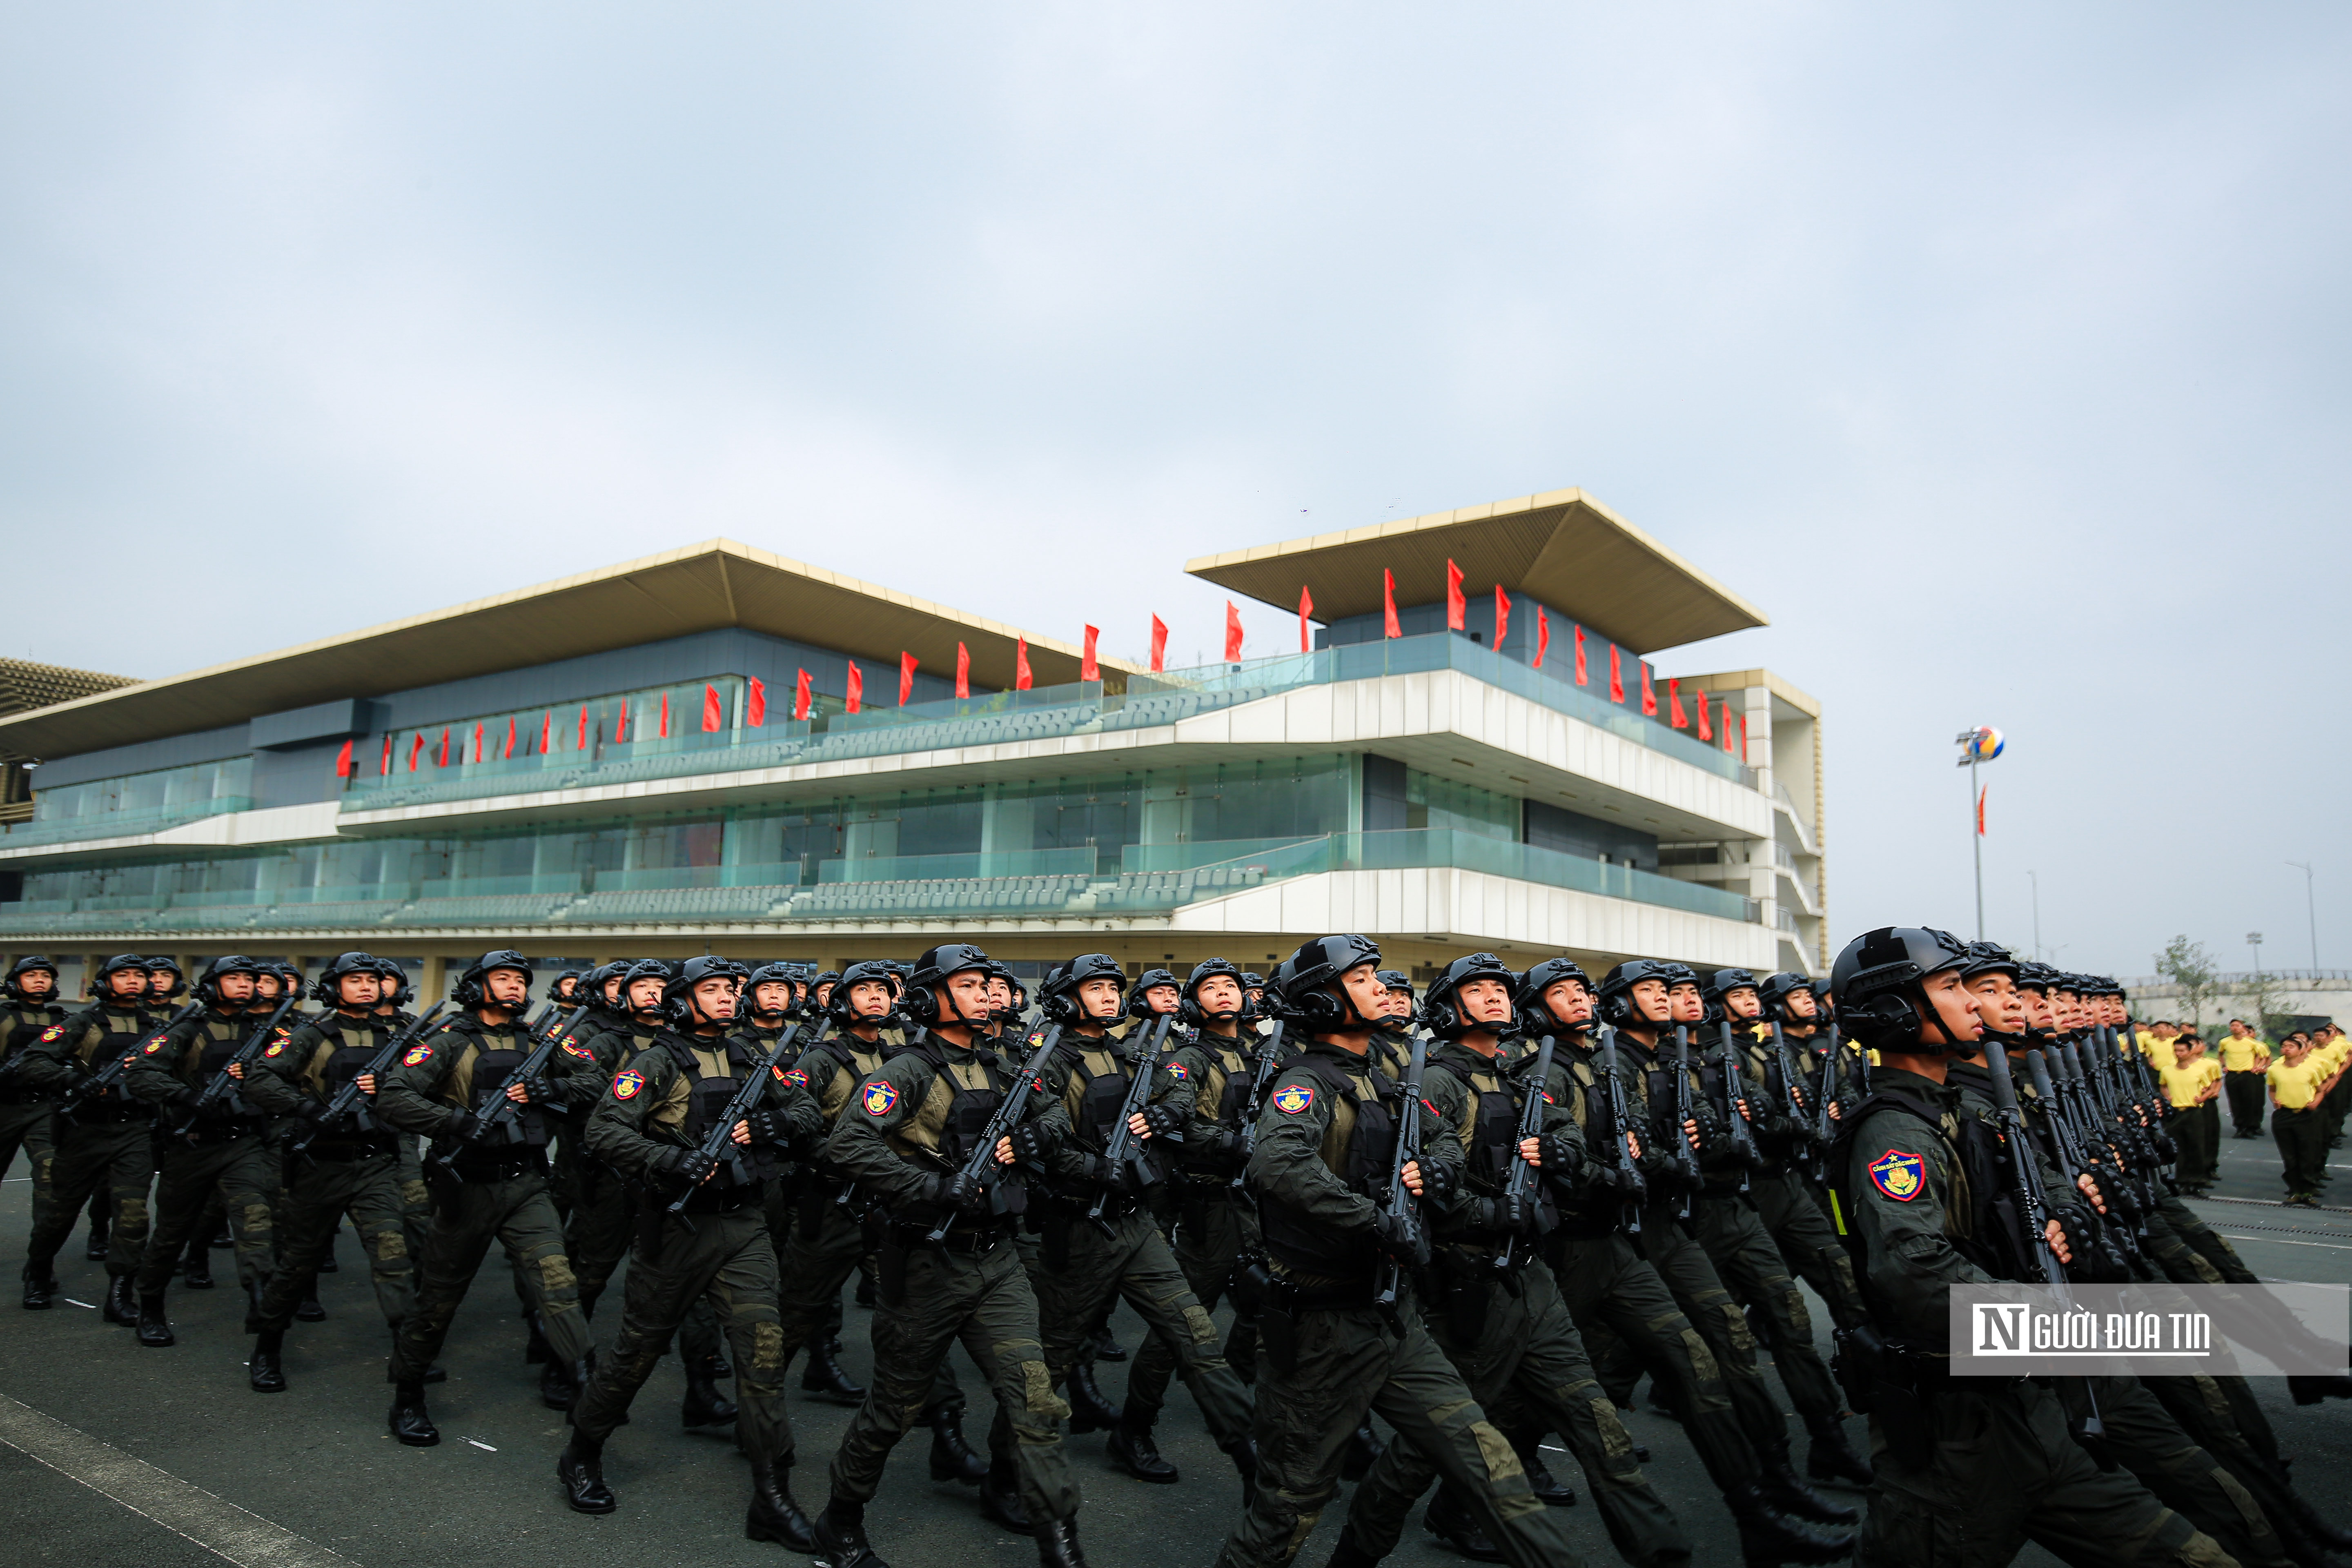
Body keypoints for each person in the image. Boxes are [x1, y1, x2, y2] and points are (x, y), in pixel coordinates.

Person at [1822, 926, 2230, 1566]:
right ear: (1898, 1013)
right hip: (1956, 1441)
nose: (1974, 1002)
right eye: (1952, 988)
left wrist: (2062, 1220)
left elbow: (2047, 1183)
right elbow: (1917, 1273)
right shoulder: (1894, 1134)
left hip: (2030, 1407)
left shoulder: (1972, 1109)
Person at [1215, 934, 1593, 1568]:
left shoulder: (1391, 1077)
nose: (1382, 990)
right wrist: (1375, 1220)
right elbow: (1276, 1164)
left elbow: (1442, 1139)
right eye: (1361, 981)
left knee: (1488, 1461)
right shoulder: (1304, 1084)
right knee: (1289, 1507)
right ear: (1322, 1002)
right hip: (1319, 1327)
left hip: (1395, 1319)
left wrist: (1436, 1172)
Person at [1333, 951, 1690, 1568]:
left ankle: (1660, 1548)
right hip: (1470, 1281)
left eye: (1501, 987)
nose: (1496, 996)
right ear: (1451, 1006)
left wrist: (1561, 1152)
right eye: (1478, 989)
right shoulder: (1436, 1080)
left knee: (1596, 1422)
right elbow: (1424, 1181)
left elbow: (1567, 1134)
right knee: (1428, 1450)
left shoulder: (1516, 1076)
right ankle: (1356, 1555)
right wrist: (1489, 1213)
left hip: (1533, 1276)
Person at [811, 943, 1090, 1568]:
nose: (987, 994)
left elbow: (1052, 1119)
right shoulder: (906, 1071)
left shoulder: (1001, 1061)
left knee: (1037, 1403)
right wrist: (931, 1187)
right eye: (968, 984)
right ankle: (841, 1520)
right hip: (925, 1266)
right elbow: (848, 1143)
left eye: (988, 985)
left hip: (998, 1261)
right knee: (894, 1410)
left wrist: (1031, 1137)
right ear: (930, 997)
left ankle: (1062, 1548)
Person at [559, 954, 823, 1542]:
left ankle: (772, 1496)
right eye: (713, 989)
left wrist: (768, 1128)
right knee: (637, 1354)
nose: (729, 997)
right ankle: (581, 1450)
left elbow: (806, 1109)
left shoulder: (752, 1056)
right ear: (683, 1000)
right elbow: (604, 1130)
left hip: (745, 1225)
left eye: (732, 989)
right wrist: (674, 1159)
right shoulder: (655, 1061)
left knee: (762, 1357)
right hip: (677, 1231)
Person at [1028, 954, 1256, 1490]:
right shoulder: (1048, 1059)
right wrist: (1095, 1169)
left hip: (1135, 1224)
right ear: (1067, 995)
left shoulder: (1124, 1051)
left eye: (1114, 988)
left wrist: (1165, 1112)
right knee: (1053, 1359)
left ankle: (1251, 1459)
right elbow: (1042, 1140)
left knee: (1196, 1336)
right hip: (1080, 1224)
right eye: (1095, 988)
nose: (1110, 996)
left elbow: (1172, 1088)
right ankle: (1008, 1469)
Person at [376, 949, 592, 1444]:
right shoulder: (449, 1040)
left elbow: (594, 1079)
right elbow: (394, 1095)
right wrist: (454, 1122)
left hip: (527, 1185)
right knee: (438, 1300)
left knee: (558, 1286)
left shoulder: (541, 1038)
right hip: (466, 1186)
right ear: (477, 987)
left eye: (520, 979)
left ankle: (586, 1389)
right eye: (503, 978)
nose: (515, 986)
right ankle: (407, 1395)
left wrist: (546, 1087)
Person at [237, 951, 422, 1392]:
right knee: (298, 1263)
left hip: (376, 1162)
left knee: (393, 1258)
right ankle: (267, 1346)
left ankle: (410, 1357)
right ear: (335, 987)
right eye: (355, 980)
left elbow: (431, 1083)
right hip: (320, 1164)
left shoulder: (398, 1036)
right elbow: (259, 1078)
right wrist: (306, 1108)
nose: (366, 987)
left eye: (373, 981)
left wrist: (393, 1088)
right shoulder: (310, 1034)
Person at [1123, 958, 1270, 1448]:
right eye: (1211, 988)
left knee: (1259, 1303)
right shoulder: (1187, 1057)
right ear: (1194, 1004)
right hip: (1209, 1201)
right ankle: (1136, 1426)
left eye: (1231, 985)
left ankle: (1234, 1403)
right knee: (1184, 1320)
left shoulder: (1257, 1054)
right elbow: (1177, 1121)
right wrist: (1232, 1143)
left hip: (1254, 1198)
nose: (1225, 993)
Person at [122, 954, 282, 1348]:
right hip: (192, 1147)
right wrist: (184, 1096)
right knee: (172, 1232)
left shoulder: (266, 1032)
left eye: (250, 978)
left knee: (257, 1230)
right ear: (211, 986)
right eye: (234, 978)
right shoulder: (184, 1030)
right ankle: (151, 1305)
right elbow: (141, 1074)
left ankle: (266, 1322)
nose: (245, 984)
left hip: (244, 1144)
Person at [771, 960, 901, 1412]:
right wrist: (851, 1159)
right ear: (844, 1002)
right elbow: (800, 1129)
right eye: (864, 991)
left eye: (883, 991)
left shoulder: (901, 1058)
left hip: (886, 1201)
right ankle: (760, 1405)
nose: (876, 998)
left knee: (907, 1305)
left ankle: (928, 1411)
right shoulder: (820, 1058)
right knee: (797, 1309)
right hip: (830, 1204)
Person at [16, 953, 159, 1321]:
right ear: (106, 982)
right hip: (86, 1130)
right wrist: (74, 1080)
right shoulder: (83, 1023)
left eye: (139, 975)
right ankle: (38, 1270)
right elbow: (34, 1061)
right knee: (59, 1213)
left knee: (133, 1215)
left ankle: (120, 1293)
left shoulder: (158, 1029)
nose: (132, 981)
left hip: (134, 1131)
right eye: (123, 975)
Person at [1, 956, 68, 1280]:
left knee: (49, 1179)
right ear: (16, 981)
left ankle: (41, 1262)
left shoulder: (63, 1020)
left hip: (43, 1108)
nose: (40, 980)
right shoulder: (3, 1016)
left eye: (45, 976)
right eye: (31, 975)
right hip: (4, 1107)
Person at [2267, 1034, 2330, 1205]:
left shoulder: (2311, 1068)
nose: (2287, 1049)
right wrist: (2275, 1101)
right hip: (2284, 1116)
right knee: (2290, 1156)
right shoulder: (2275, 1068)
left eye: (2291, 1046)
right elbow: (2272, 1089)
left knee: (2308, 1153)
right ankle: (2295, 1190)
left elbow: (2320, 1090)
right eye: (2284, 1046)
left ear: (2301, 1050)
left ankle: (2308, 1191)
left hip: (2306, 1115)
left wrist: (2315, 1104)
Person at [2157, 1034, 2223, 1193]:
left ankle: (2198, 1181)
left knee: (2197, 1147)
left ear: (2189, 1051)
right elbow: (2163, 1085)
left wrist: (2203, 1098)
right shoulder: (2167, 1070)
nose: (2179, 1054)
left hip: (2194, 1112)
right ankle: (2183, 1180)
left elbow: (2212, 1085)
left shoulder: (2199, 1071)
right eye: (2176, 1051)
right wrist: (2167, 1096)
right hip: (2175, 1112)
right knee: (2180, 1148)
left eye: (2182, 1051)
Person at [2218, 1021, 2270, 1138]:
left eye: (2238, 1026)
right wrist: (2224, 1065)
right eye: (2232, 1026)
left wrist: (2257, 1067)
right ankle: (2240, 1127)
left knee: (2250, 1102)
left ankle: (2251, 1127)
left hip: (2248, 1075)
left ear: (2243, 1028)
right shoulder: (2225, 1042)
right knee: (2235, 1102)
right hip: (2232, 1074)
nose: (2235, 1028)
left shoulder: (2251, 1042)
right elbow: (2221, 1054)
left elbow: (2262, 1056)